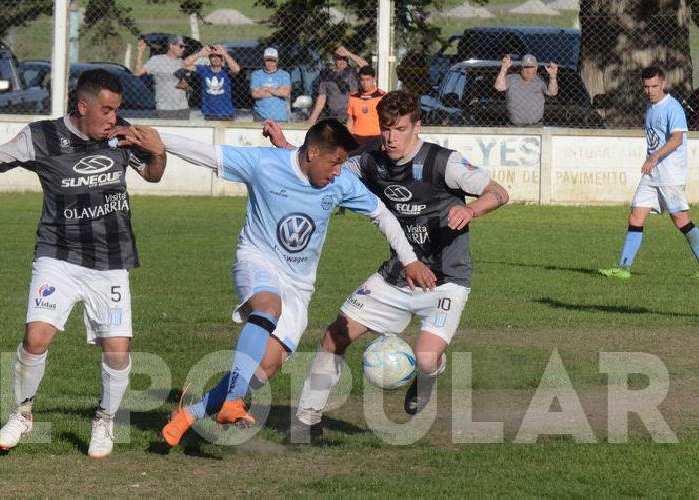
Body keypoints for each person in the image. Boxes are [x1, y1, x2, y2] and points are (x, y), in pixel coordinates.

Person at [139, 118, 437, 446]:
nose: (339, 171)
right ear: (312, 153)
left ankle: (189, 414)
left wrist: (410, 260)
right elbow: (207, 153)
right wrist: (154, 137)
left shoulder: (339, 183)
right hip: (258, 261)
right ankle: (233, 401)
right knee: (267, 307)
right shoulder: (263, 164)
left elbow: (382, 214)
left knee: (262, 369)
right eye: (335, 162)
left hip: (299, 286)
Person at [0, 69, 168, 458]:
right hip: (57, 255)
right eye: (107, 110)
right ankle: (23, 414)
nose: (114, 118)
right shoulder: (41, 136)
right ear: (83, 106)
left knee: (118, 350)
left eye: (117, 110)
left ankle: (104, 421)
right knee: (36, 337)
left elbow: (152, 175)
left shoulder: (121, 134)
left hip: (110, 259)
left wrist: (158, 152)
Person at [261, 91, 509, 439]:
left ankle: (426, 380)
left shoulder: (444, 163)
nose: (391, 137)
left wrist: (470, 209)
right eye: (386, 129)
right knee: (335, 336)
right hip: (397, 276)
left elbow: (498, 192)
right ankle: (307, 421)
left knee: (425, 358)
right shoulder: (371, 163)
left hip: (446, 281)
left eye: (400, 129)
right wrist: (285, 144)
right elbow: (321, 164)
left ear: (417, 126)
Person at [599, 66, 699, 281]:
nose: (650, 91)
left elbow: (676, 139)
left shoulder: (672, 108)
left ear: (663, 84)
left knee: (680, 220)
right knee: (636, 215)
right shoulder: (650, 107)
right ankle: (623, 268)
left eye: (654, 86)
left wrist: (654, 157)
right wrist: (652, 161)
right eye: (646, 87)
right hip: (652, 175)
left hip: (670, 175)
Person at [135, 35, 191, 119]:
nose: (183, 49)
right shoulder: (157, 60)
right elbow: (137, 73)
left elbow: (187, 88)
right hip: (165, 108)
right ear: (171, 46)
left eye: (184, 47)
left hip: (183, 108)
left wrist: (186, 86)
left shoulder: (183, 63)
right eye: (181, 46)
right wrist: (140, 52)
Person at [494, 54, 557, 126]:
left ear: (536, 68)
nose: (529, 70)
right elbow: (499, 87)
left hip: (535, 126)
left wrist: (553, 77)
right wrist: (504, 69)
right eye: (526, 67)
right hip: (514, 126)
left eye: (531, 67)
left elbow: (552, 92)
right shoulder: (512, 78)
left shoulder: (540, 80)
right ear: (521, 68)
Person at [308, 46, 367, 124]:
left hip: (351, 115)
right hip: (333, 116)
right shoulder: (327, 75)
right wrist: (313, 117)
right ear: (335, 60)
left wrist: (349, 54)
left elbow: (366, 67)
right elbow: (322, 97)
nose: (342, 61)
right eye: (339, 59)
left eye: (344, 59)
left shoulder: (352, 72)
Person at [186, 44, 241, 121]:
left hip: (226, 113)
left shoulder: (226, 71)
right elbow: (185, 64)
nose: (216, 59)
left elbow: (237, 69)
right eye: (213, 56)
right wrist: (200, 54)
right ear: (209, 58)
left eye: (219, 56)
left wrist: (224, 53)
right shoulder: (204, 70)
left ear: (222, 58)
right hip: (209, 113)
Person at [347, 65, 386, 152]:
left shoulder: (382, 96)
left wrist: (385, 140)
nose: (365, 83)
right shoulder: (353, 97)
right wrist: (350, 137)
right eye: (362, 80)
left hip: (377, 138)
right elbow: (350, 120)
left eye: (368, 80)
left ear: (374, 79)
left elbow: (387, 120)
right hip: (357, 138)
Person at [249, 47, 292, 123]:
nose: (270, 63)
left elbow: (285, 93)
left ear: (277, 61)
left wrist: (266, 88)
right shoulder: (256, 74)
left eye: (273, 61)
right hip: (261, 116)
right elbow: (255, 94)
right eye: (268, 60)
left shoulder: (284, 75)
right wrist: (277, 91)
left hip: (280, 117)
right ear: (264, 60)